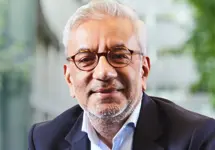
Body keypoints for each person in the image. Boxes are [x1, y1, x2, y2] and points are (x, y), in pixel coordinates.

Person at [28, 0, 215, 150]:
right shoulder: (44, 140)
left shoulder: (197, 138)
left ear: (143, 70)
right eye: (86, 59)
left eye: (118, 56)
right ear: (69, 78)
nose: (103, 72)